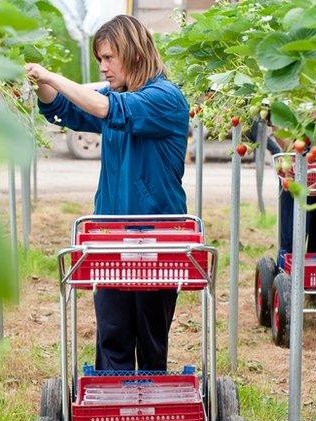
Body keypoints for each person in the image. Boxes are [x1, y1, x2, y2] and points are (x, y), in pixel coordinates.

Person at [26, 15, 189, 372]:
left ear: (132, 52)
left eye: (108, 58)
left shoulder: (166, 98)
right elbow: (65, 108)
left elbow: (105, 109)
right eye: (100, 59)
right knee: (112, 331)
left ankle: (149, 411)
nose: (103, 68)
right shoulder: (119, 96)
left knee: (150, 335)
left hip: (156, 237)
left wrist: (53, 74)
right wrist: (39, 81)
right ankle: (112, 412)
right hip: (110, 234)